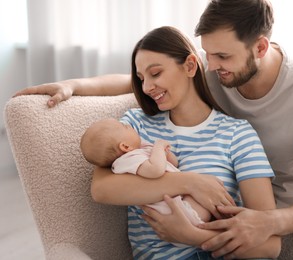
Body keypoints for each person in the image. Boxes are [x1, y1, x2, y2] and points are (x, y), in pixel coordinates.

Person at [14, 0, 293, 258]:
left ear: (260, 48)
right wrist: (74, 84)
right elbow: (138, 81)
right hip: (238, 212)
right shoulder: (211, 72)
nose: (209, 66)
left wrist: (261, 223)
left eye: (220, 56)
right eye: (206, 54)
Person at [44, 25, 280, 259]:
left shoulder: (238, 134)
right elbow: (102, 190)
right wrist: (189, 182)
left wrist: (195, 237)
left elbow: (270, 246)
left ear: (189, 66)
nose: (146, 87)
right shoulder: (134, 126)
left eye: (155, 73)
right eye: (141, 78)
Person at [80, 117, 210, 227]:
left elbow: (173, 165)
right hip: (179, 213)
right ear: (125, 146)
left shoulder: (138, 154)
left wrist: (165, 153)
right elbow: (156, 170)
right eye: (125, 126)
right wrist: (158, 146)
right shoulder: (127, 161)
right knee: (208, 209)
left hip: (179, 207)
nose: (130, 127)